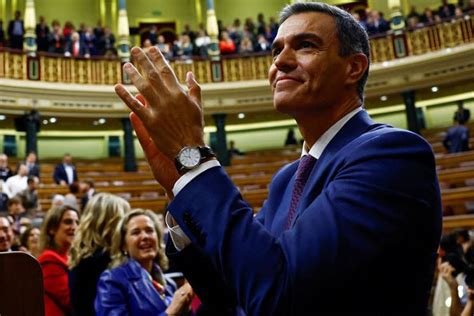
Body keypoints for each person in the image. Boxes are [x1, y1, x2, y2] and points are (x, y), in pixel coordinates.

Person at [114, 2, 441, 314]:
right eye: (276, 50)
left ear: (353, 67)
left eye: (306, 45)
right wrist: (180, 185)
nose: (280, 61)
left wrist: (194, 158)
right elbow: (229, 292)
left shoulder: (391, 154)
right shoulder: (287, 179)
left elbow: (281, 298)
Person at [95, 209, 193, 316]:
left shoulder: (169, 284)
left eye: (149, 230)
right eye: (135, 232)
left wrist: (185, 309)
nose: (145, 236)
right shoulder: (112, 280)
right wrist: (171, 311)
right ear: (124, 245)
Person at [69, 193, 131, 316]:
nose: (128, 226)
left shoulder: (83, 256)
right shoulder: (105, 260)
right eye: (125, 220)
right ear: (112, 223)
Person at [38, 205, 79, 316]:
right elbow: (70, 301)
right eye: (68, 222)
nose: (74, 227)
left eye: (77, 222)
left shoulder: (69, 256)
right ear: (52, 229)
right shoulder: (48, 259)